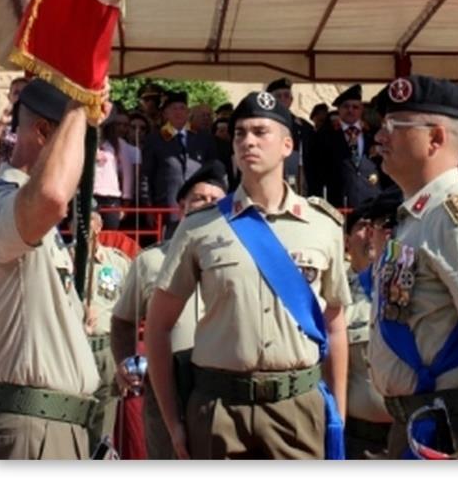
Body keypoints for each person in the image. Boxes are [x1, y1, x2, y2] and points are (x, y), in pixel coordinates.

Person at [145, 91, 350, 459]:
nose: (247, 142)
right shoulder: (200, 227)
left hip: (297, 407)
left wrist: (339, 416)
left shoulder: (323, 226)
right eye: (239, 133)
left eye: (260, 132)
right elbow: (157, 326)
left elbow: (334, 326)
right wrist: (173, 421)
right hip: (220, 408)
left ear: (288, 145)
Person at [365, 76, 458, 459]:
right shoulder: (416, 217)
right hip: (420, 421)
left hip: (454, 429)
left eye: (393, 127)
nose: (380, 137)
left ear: (436, 138)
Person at [0, 79, 100, 459]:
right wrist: (78, 105)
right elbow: (52, 195)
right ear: (43, 132)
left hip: (56, 425)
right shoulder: (3, 203)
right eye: (78, 143)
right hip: (32, 429)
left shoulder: (35, 221)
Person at [110, 160, 227, 459]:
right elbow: (123, 320)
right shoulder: (151, 261)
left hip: (222, 387)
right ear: (181, 206)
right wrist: (124, 359)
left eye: (216, 201)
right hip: (167, 388)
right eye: (200, 198)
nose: (208, 205)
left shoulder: (236, 262)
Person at [341, 191, 401, 459]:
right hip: (361, 440)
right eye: (362, 227)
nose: (371, 234)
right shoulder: (335, 294)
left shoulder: (416, 286)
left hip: (418, 429)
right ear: (346, 241)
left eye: (380, 226)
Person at [84, 207, 133, 449]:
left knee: (104, 424)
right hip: (75, 350)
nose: (86, 227)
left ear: (100, 226)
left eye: (90, 221)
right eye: (80, 222)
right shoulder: (60, 260)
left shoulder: (117, 262)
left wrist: (127, 359)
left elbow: (131, 311)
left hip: (106, 350)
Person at [307, 85, 382, 209]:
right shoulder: (325, 136)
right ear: (339, 109)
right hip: (339, 204)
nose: (351, 110)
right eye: (346, 106)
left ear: (361, 109)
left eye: (355, 107)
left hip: (372, 203)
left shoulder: (373, 135)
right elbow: (315, 172)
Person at [144, 91, 218, 209]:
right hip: (167, 204)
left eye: (182, 108)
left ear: (188, 112)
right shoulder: (155, 139)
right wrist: (148, 205)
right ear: (165, 114)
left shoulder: (203, 137)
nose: (178, 112)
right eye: (173, 108)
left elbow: (212, 169)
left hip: (198, 202)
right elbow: (146, 175)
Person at [265, 77, 316, 192]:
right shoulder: (262, 125)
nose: (283, 99)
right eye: (278, 96)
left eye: (286, 95)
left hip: (298, 185)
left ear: (292, 100)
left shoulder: (304, 127)